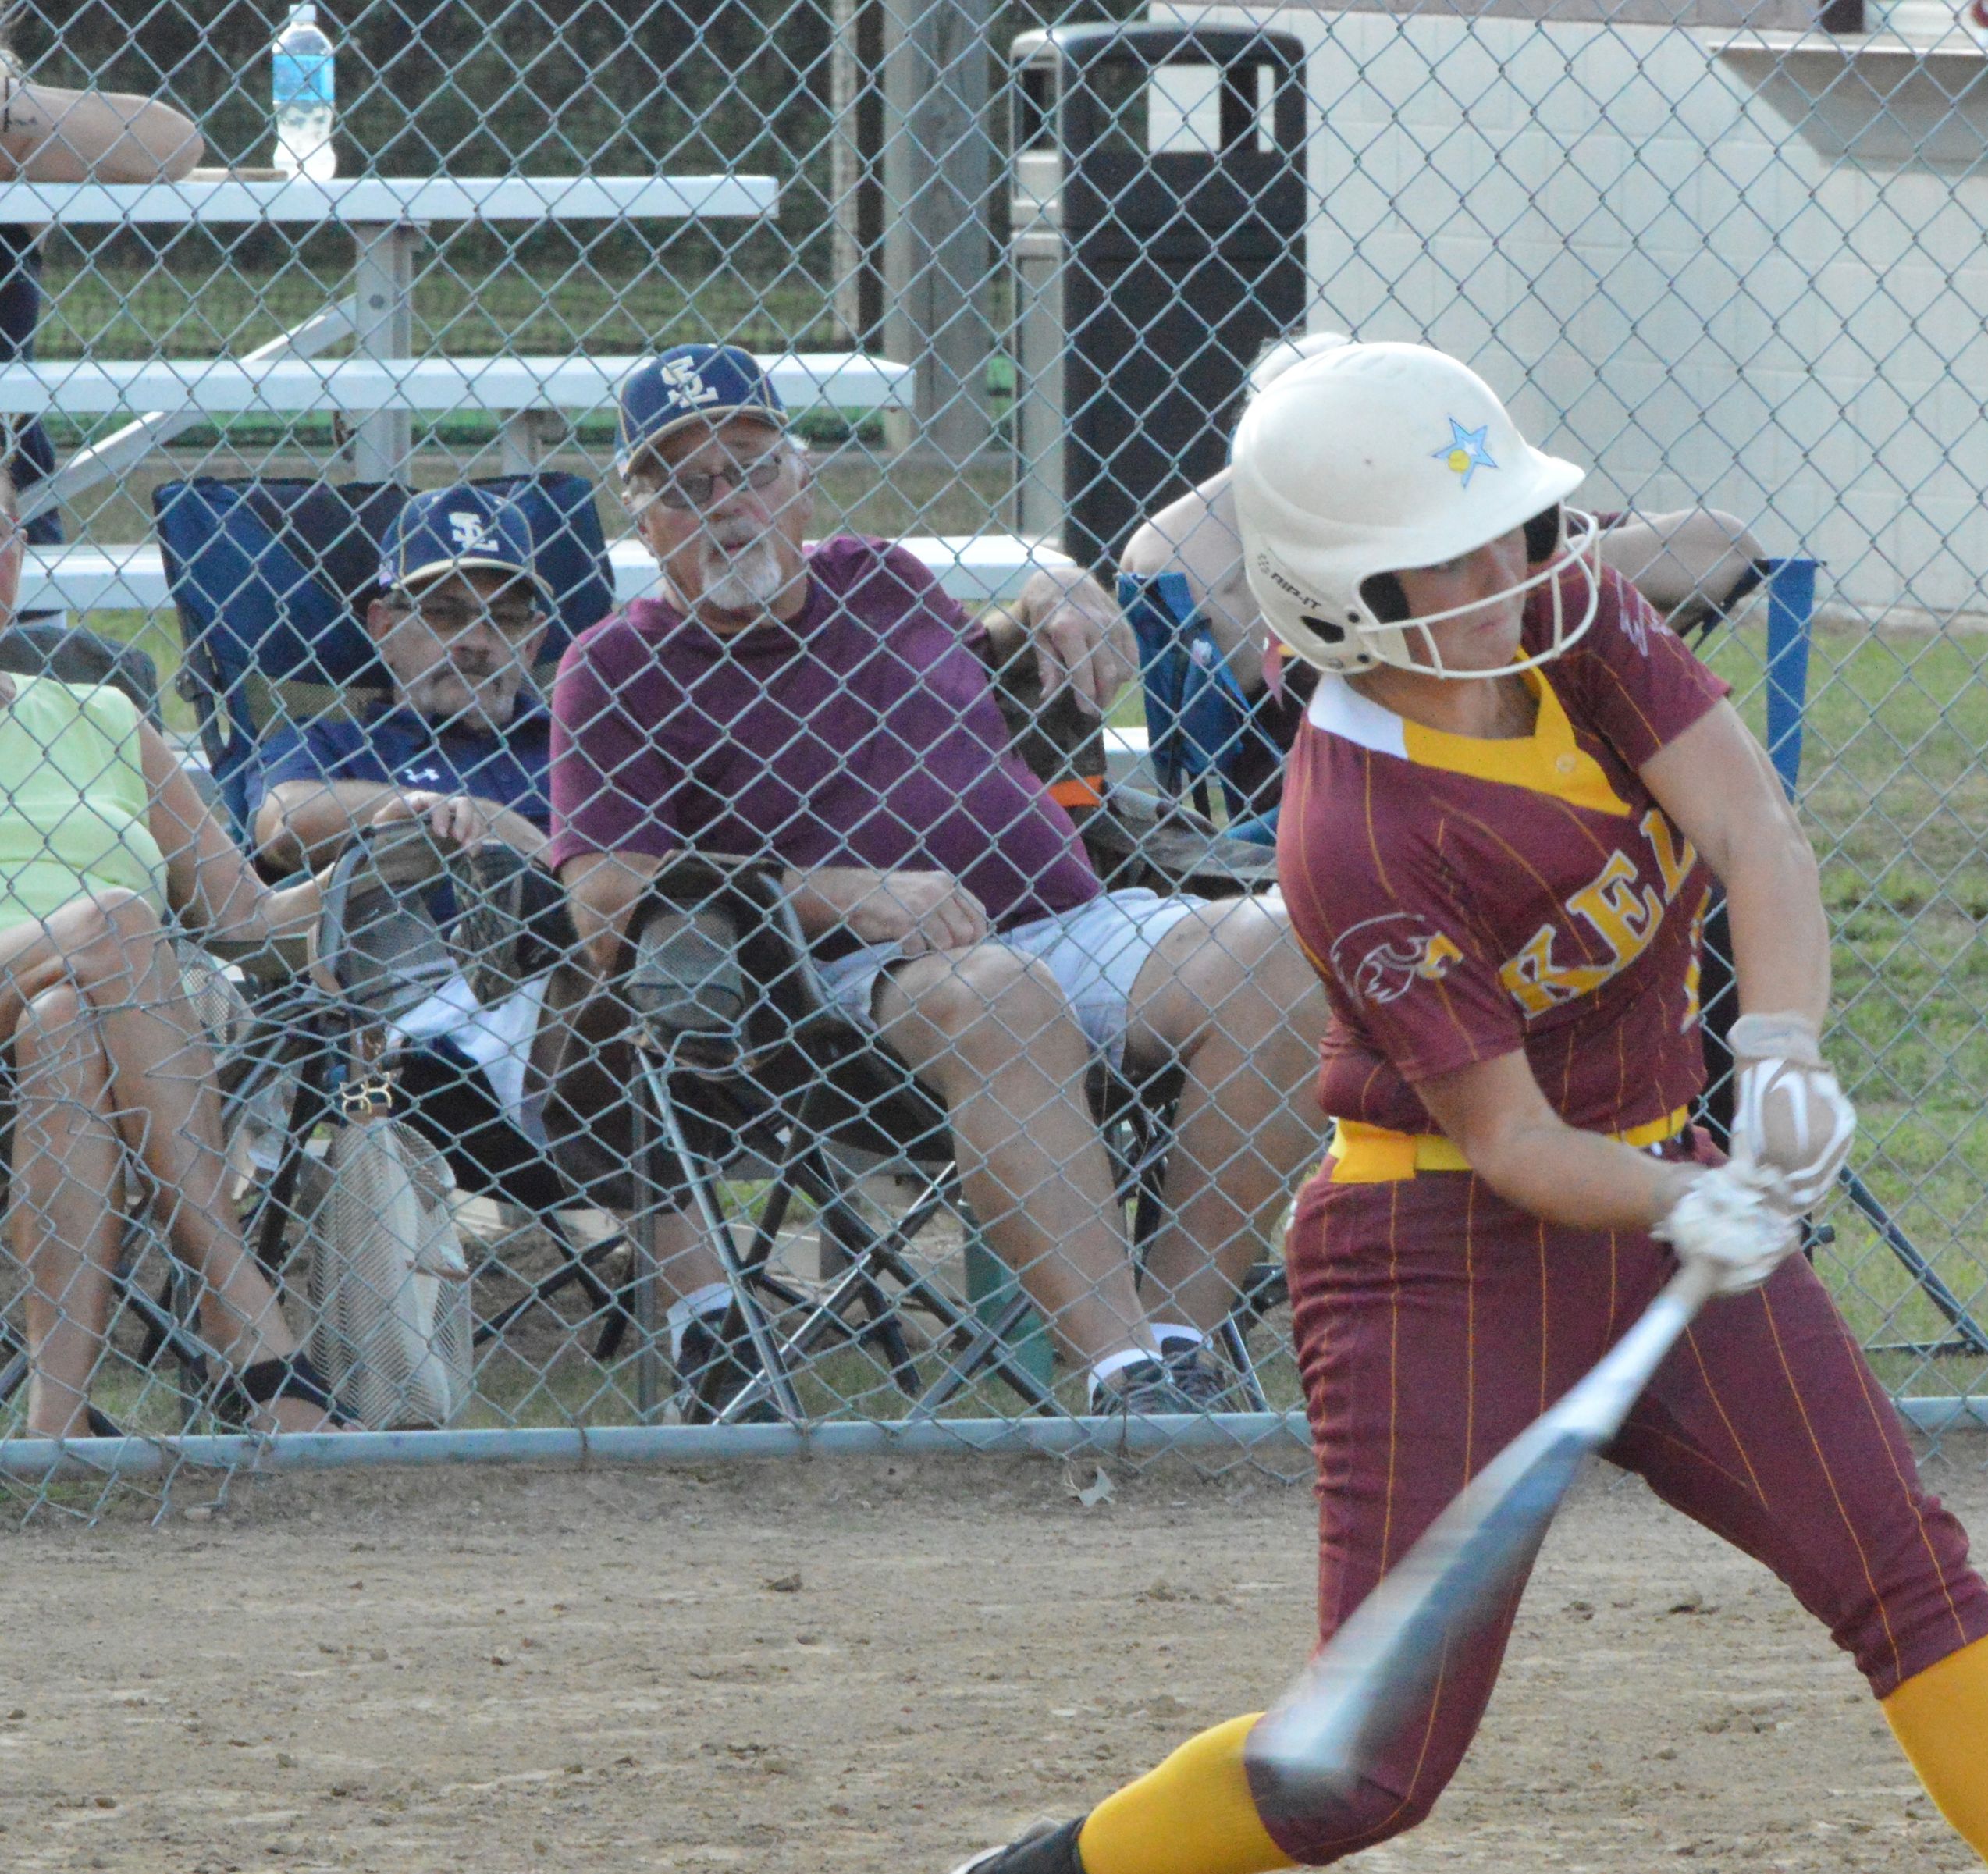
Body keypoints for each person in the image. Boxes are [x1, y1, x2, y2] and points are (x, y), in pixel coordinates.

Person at [823, 343, 1988, 1874]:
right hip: (1434, 1252)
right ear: (1343, 605)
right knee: (1362, 1773)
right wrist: (1693, 1195)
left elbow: (1748, 824)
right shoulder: (1352, 831)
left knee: (1899, 1566)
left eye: (1517, 523)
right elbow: (1508, 1142)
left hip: (1663, 1183)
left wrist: (1780, 1055)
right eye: (1463, 549)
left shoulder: (1561, 616)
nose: (1519, 562)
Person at [545, 344, 1327, 1423]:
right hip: (834, 990)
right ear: (642, 521)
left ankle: (1180, 1345)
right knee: (999, 991)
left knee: (1281, 948)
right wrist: (842, 892)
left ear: (801, 478)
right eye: (685, 485)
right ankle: (1123, 1375)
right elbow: (600, 902)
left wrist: (1059, 588)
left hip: (1070, 918)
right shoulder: (615, 667)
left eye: (752, 467)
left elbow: (993, 666)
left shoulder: (880, 577)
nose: (728, 505)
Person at [0, 466, 338, 1438]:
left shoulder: (101, 718)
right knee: (112, 921)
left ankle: (53, 1424)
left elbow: (245, 918)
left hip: (93, 1035)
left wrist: (386, 850)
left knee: (66, 1021)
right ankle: (246, 1319)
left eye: (5, 529)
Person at [1118, 328, 1766, 815]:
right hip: (1368, 814)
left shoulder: (1484, 522)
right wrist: (1276, 478)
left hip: (1549, 782)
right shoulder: (1257, 569)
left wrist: (1518, 561)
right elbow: (1153, 558)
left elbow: (1726, 549)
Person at [248, 483, 571, 1219]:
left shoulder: (576, 746)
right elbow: (281, 821)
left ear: (535, 639)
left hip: (576, 1017)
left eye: (506, 616)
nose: (478, 639)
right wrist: (433, 816)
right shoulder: (338, 742)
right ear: (384, 623)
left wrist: (540, 850)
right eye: (447, 612)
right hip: (389, 1060)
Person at [0, 23, 203, 677]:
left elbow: (171, 144)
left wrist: (11, 102)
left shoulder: (12, 140)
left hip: (11, 517)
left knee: (37, 752)